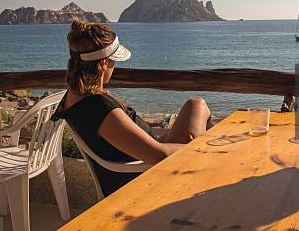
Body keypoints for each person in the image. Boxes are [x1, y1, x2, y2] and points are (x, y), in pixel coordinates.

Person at [52, 20, 212, 196]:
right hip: (144, 179)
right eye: (114, 62)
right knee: (199, 109)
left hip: (142, 160)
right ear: (104, 63)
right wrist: (199, 147)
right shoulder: (99, 108)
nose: (115, 66)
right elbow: (160, 156)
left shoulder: (75, 96)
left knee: (196, 104)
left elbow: (125, 137)